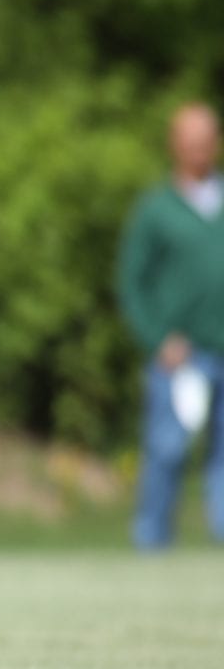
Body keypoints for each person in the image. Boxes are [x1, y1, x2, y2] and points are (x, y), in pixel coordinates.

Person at [117, 101, 224, 548]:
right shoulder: (155, 209)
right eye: (190, 141)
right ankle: (152, 542)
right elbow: (131, 282)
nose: (199, 149)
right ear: (175, 145)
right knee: (167, 448)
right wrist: (156, 338)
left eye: (207, 140)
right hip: (181, 354)